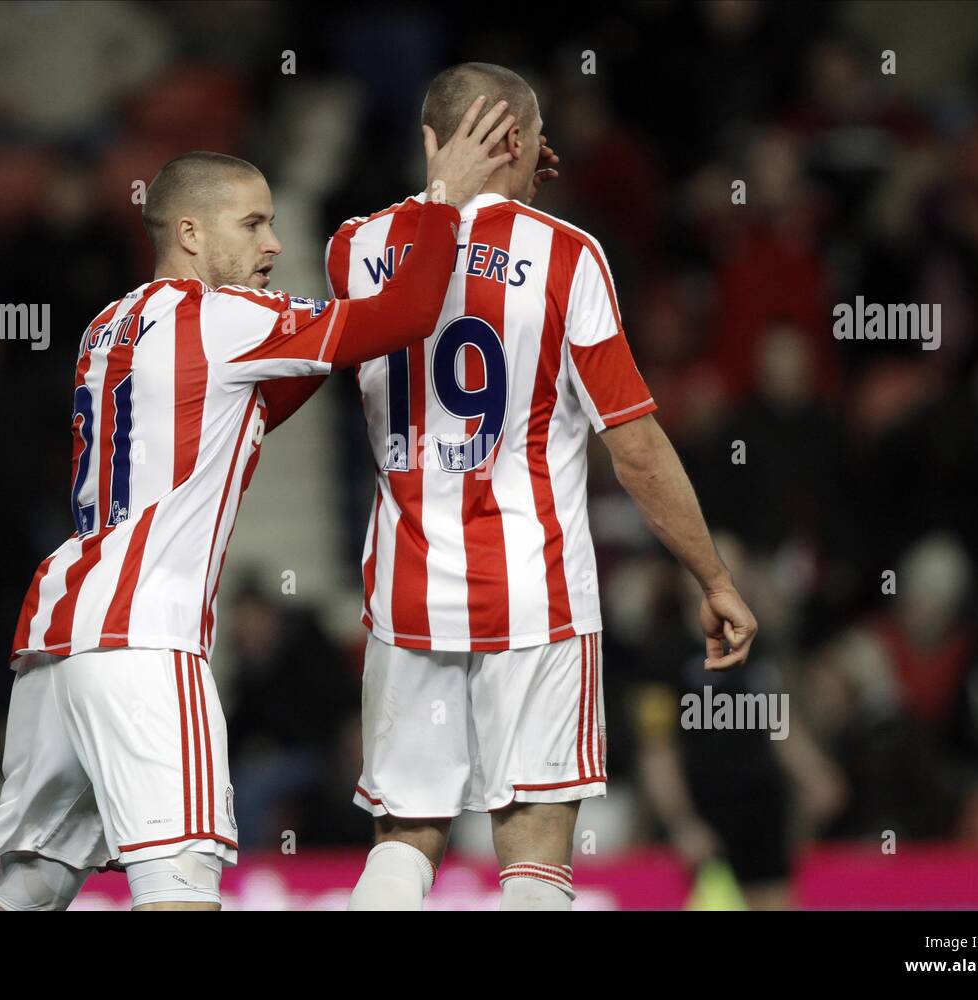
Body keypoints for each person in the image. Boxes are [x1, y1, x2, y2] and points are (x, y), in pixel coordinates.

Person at [0, 96, 517, 912]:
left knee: (28, 889)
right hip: (144, 639)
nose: (274, 245)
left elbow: (254, 406)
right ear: (190, 233)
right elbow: (406, 314)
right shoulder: (224, 321)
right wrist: (442, 201)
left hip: (58, 638)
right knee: (181, 886)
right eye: (254, 225)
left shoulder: (107, 328)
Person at [261, 63, 758, 910]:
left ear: (430, 142)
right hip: (537, 594)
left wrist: (482, 184)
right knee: (533, 851)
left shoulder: (356, 248)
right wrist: (711, 576)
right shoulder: (570, 257)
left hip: (408, 590)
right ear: (526, 146)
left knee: (406, 837)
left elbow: (434, 249)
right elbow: (633, 447)